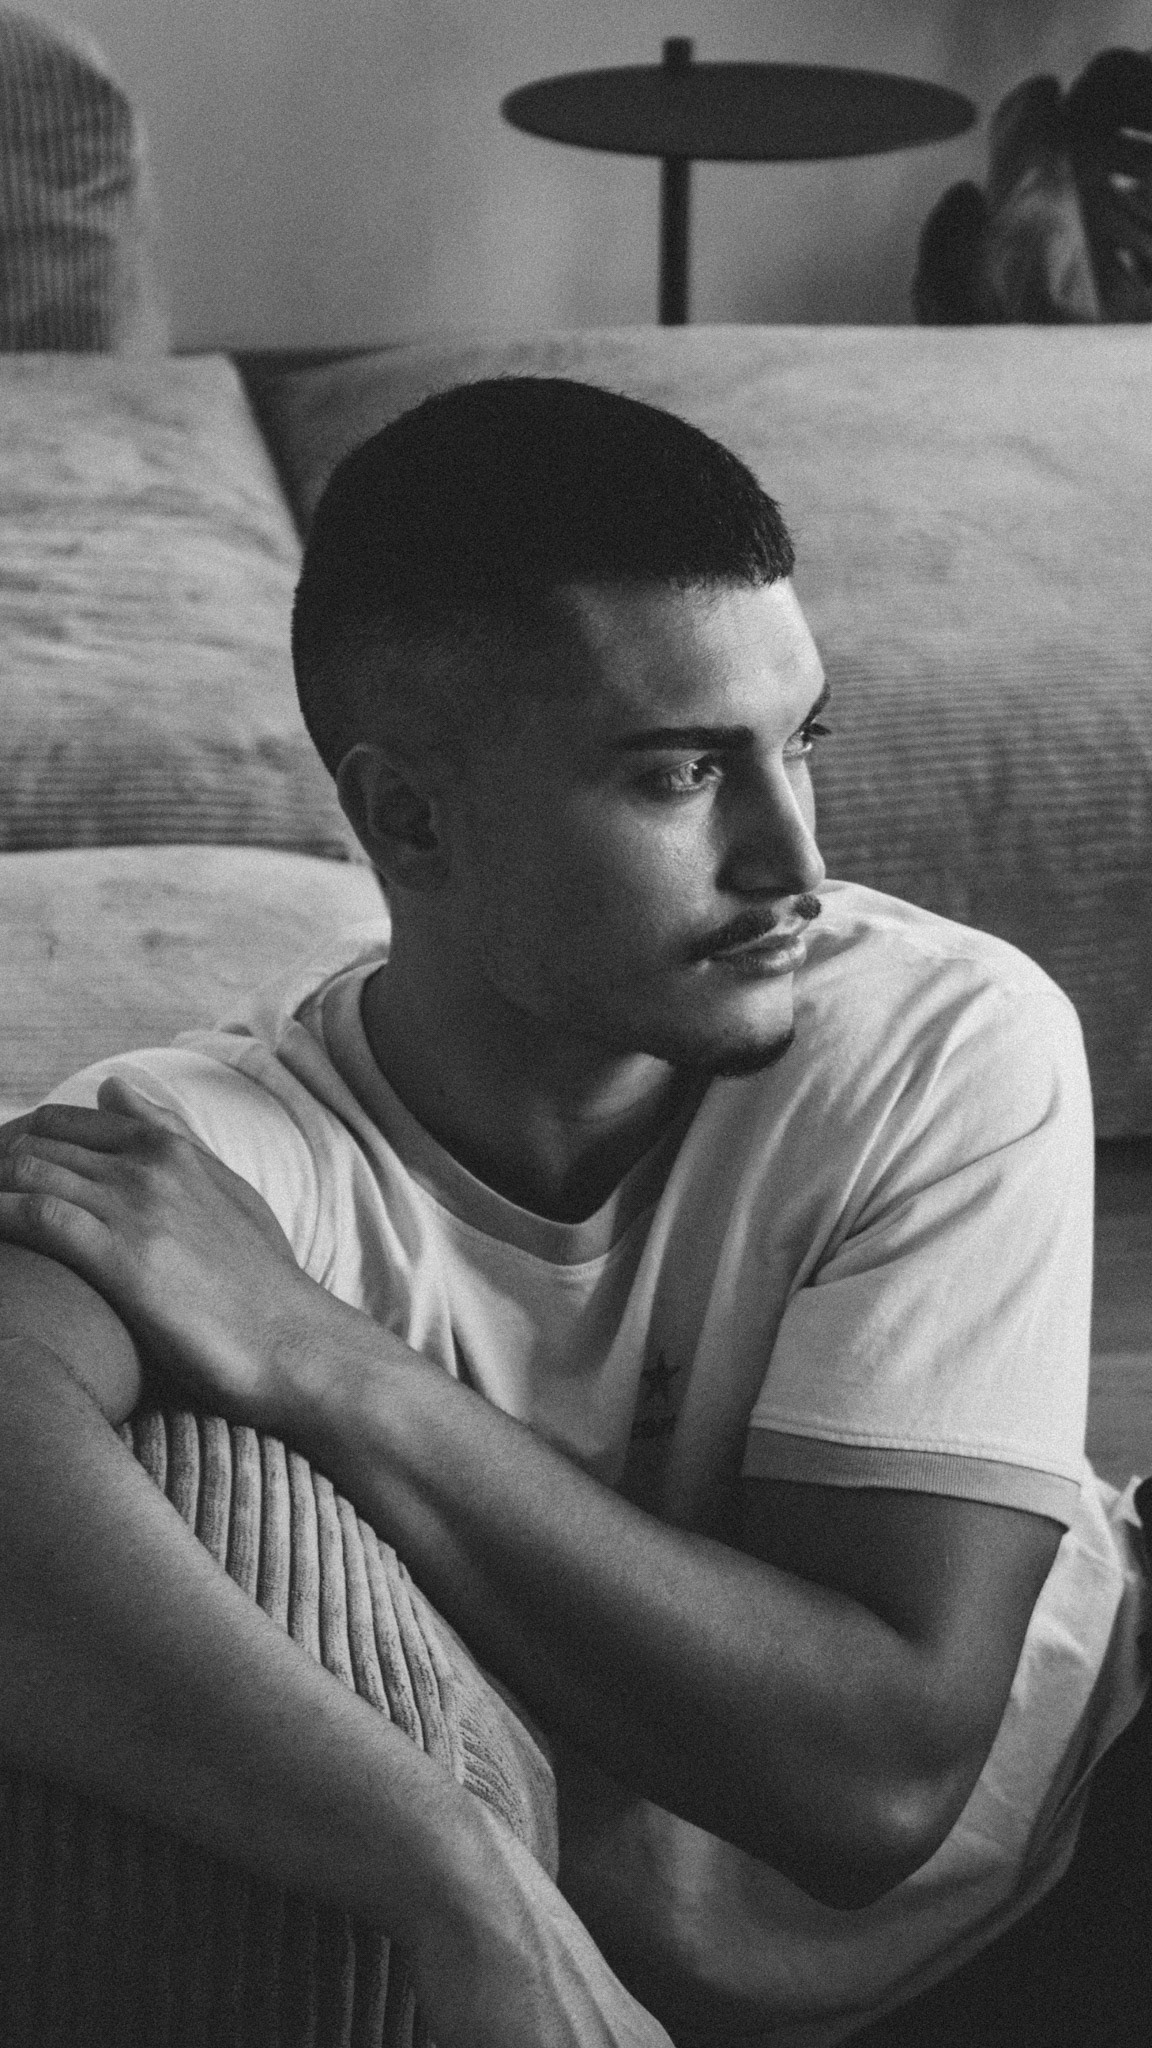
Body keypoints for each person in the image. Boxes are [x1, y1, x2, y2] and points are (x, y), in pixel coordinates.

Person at [0, 376, 1147, 2047]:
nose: (794, 861)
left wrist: (326, 1361)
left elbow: (877, 1782)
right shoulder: (225, 1145)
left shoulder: (946, 1037)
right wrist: (442, 1863)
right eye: (682, 775)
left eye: (800, 745)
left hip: (1088, 1835)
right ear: (410, 818)